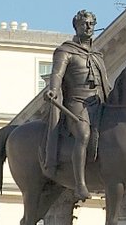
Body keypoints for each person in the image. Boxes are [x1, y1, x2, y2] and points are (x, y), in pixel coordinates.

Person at [41, 10, 109, 198]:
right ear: (76, 26)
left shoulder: (97, 54)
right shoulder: (66, 51)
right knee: (83, 134)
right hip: (77, 103)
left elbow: (105, 82)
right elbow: (57, 74)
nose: (88, 27)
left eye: (91, 24)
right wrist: (53, 90)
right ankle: (80, 184)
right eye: (84, 24)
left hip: (98, 103)